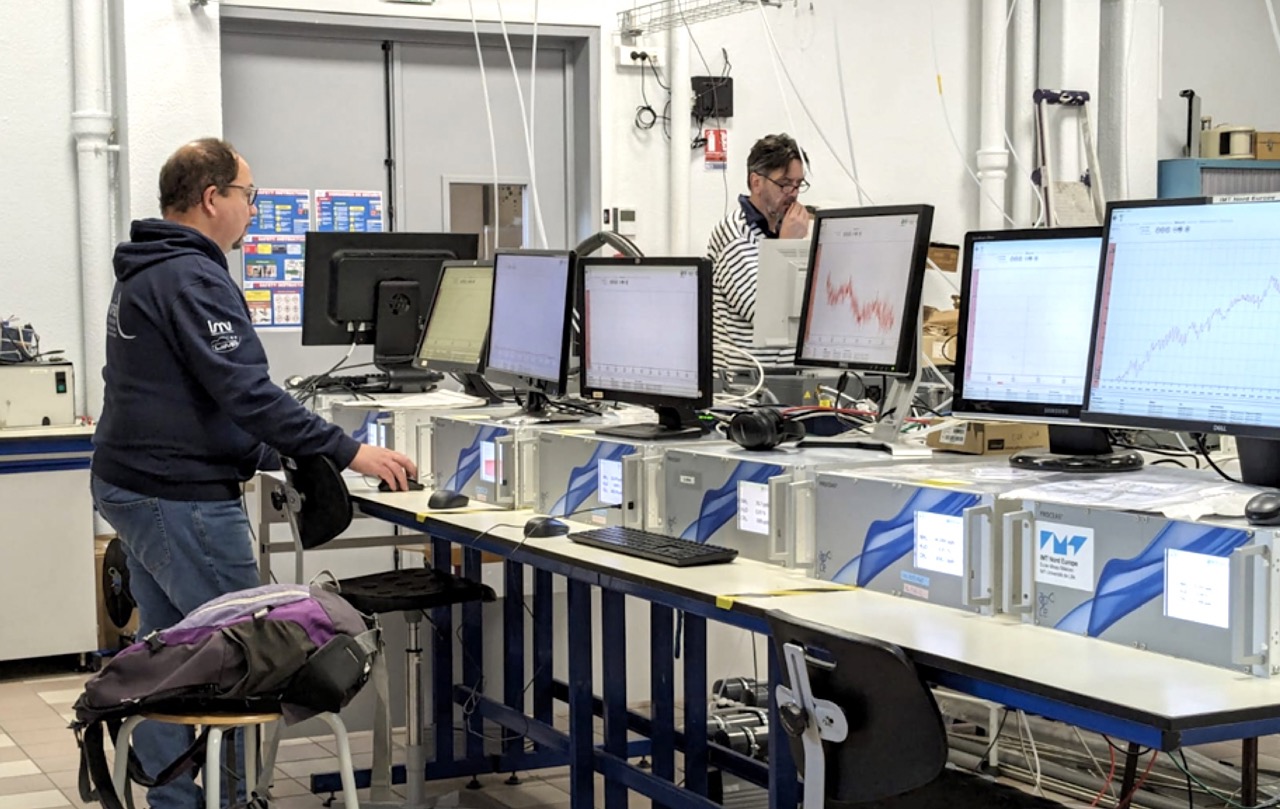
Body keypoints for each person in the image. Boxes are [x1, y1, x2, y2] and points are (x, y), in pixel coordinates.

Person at [90, 138, 416, 809]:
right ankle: (231, 802)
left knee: (175, 657)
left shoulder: (149, 269)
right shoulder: (191, 277)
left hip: (135, 484)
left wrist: (278, 453)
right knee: (245, 661)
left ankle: (175, 800)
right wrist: (347, 451)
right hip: (178, 497)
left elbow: (193, 397)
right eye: (249, 196)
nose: (252, 210)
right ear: (212, 198)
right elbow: (247, 394)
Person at [706, 133, 812, 369]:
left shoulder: (785, 230)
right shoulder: (733, 234)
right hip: (746, 389)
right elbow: (764, 314)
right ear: (756, 182)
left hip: (790, 382)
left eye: (798, 184)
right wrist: (787, 247)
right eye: (784, 184)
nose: (793, 193)